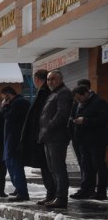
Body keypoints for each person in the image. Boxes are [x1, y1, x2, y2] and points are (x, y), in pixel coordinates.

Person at [21, 69, 57, 205]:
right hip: (42, 136)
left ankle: (53, 194)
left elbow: (43, 117)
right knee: (46, 166)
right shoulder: (44, 93)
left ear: (36, 80)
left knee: (48, 167)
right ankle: (52, 194)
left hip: (44, 137)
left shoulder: (46, 93)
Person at [38, 69, 72, 209]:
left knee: (58, 168)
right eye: (48, 79)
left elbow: (61, 115)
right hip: (49, 137)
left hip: (57, 137)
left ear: (60, 79)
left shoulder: (63, 92)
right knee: (52, 168)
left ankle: (61, 197)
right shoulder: (54, 93)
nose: (50, 82)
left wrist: (48, 128)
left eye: (53, 79)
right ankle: (55, 196)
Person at [68, 85, 108, 200]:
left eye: (79, 98)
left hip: (96, 140)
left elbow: (103, 119)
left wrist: (85, 121)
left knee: (98, 165)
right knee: (86, 166)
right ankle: (86, 190)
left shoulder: (99, 102)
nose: (78, 101)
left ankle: (101, 191)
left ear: (86, 93)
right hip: (83, 140)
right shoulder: (80, 103)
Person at [0, 86, 30, 202]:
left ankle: (22, 192)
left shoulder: (19, 103)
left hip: (15, 140)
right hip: (11, 139)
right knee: (11, 165)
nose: (3, 100)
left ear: (7, 95)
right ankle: (19, 188)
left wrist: (4, 106)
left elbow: (9, 117)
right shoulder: (17, 103)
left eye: (3, 97)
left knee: (15, 165)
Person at [69, 79, 93, 190]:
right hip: (76, 135)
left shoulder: (94, 101)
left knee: (89, 163)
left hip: (88, 136)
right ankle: (85, 184)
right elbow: (72, 114)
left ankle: (88, 186)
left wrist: (83, 120)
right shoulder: (76, 101)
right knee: (81, 161)